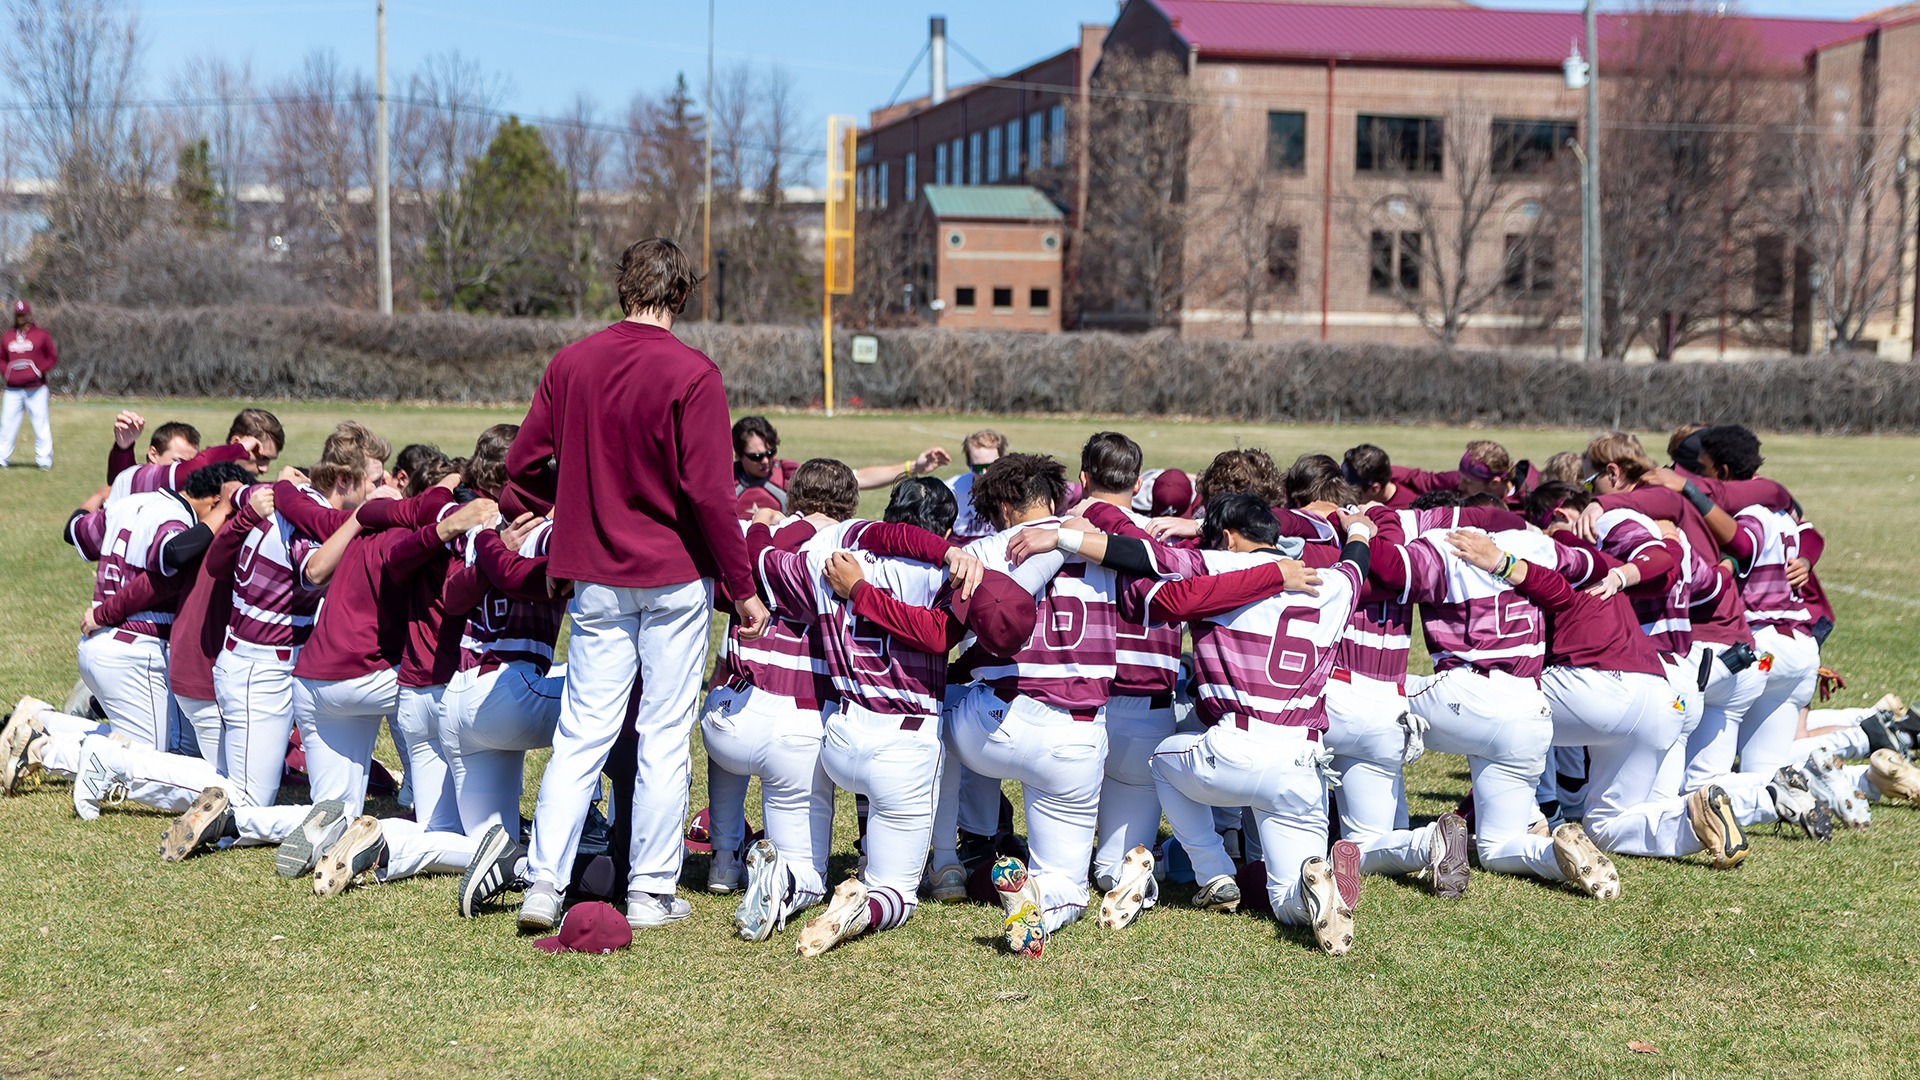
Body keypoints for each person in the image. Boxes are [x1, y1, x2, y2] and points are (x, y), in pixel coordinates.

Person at [505, 237, 769, 934]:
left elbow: (522, 463)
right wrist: (742, 590)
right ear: (681, 295)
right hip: (674, 573)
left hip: (594, 572)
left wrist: (564, 505)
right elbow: (710, 494)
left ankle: (543, 884)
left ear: (623, 287)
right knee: (660, 735)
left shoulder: (572, 362)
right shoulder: (693, 372)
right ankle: (650, 893)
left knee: (582, 732)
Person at [731, 414, 948, 518]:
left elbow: (857, 478)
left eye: (770, 453)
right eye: (757, 456)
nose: (766, 461)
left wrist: (914, 467)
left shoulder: (790, 475)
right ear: (739, 455)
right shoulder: (726, 481)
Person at [1, 299, 56, 469]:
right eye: (17, 315)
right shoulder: (8, 336)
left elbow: (52, 357)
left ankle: (44, 460)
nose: (20, 318)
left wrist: (38, 371)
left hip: (36, 389)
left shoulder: (41, 335)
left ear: (29, 315)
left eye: (23, 314)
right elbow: (1, 359)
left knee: (40, 424)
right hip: (13, 390)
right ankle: (2, 458)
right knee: (6, 425)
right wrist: (7, 372)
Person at [945, 430, 1007, 543]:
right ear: (969, 464)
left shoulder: (1016, 492)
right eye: (978, 468)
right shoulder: (950, 490)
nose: (984, 473)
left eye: (990, 466)